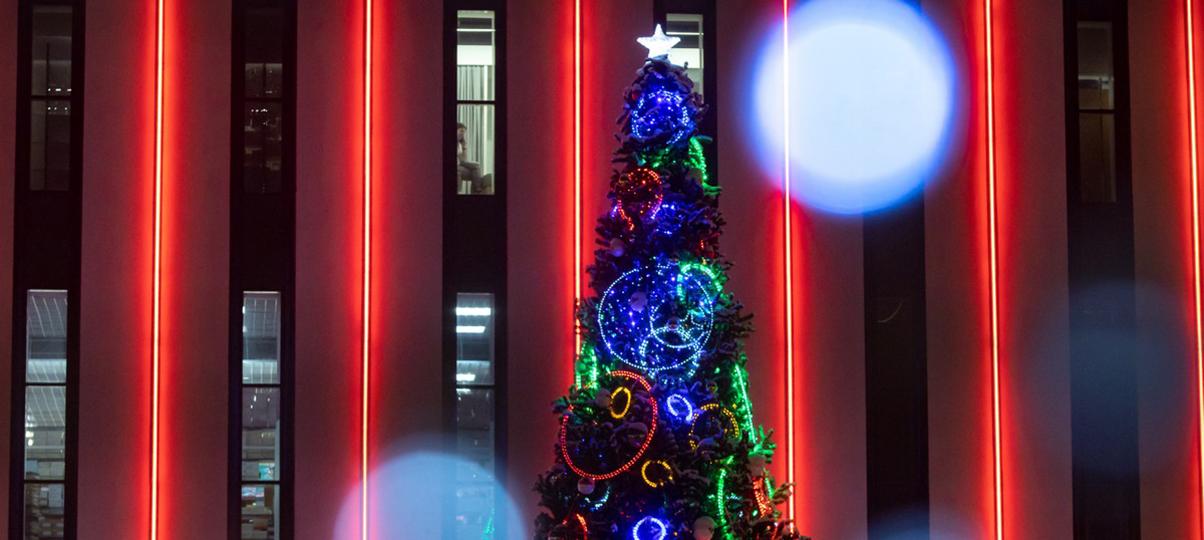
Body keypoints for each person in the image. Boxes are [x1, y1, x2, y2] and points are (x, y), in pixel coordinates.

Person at [456, 122, 485, 193]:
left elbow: (463, 160)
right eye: (461, 131)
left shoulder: (459, 144)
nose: (463, 134)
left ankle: (477, 190)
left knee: (476, 170)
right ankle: (459, 192)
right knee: (458, 171)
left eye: (464, 132)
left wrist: (464, 148)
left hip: (459, 165)